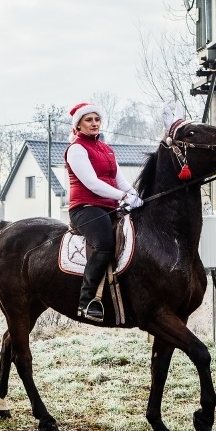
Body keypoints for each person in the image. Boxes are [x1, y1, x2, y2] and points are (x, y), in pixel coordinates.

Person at [64, 102, 144, 321]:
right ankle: (87, 301)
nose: (94, 124)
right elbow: (92, 183)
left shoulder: (107, 149)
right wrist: (124, 197)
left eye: (97, 119)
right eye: (88, 120)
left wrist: (137, 196)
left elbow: (120, 181)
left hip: (109, 207)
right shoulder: (77, 149)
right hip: (85, 208)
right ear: (78, 125)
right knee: (105, 244)